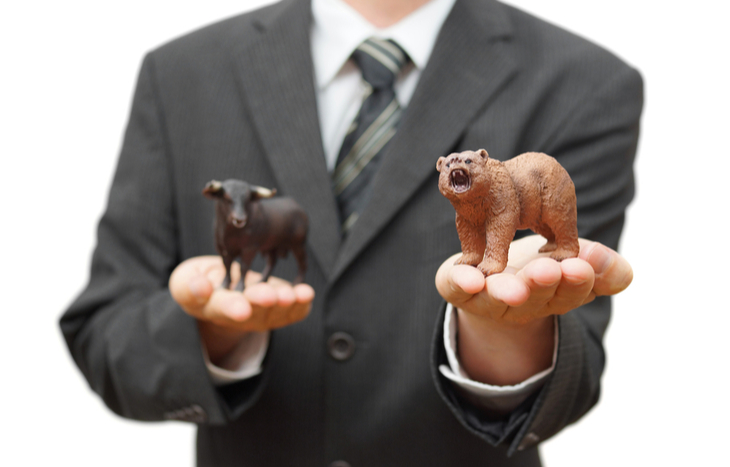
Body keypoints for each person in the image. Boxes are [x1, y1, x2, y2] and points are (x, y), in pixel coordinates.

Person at [60, 0, 641, 465]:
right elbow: (104, 334)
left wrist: (500, 335)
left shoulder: (586, 83)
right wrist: (212, 334)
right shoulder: (181, 76)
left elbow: (575, 374)